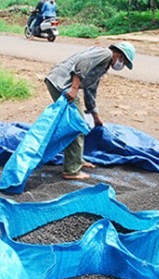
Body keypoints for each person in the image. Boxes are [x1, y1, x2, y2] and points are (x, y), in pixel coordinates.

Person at [44, 42, 136, 180]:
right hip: (61, 83)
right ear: (119, 54)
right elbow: (82, 63)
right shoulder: (105, 54)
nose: (121, 64)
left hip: (59, 82)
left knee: (76, 124)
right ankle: (71, 170)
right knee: (77, 126)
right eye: (123, 61)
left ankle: (77, 160)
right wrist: (74, 88)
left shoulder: (102, 66)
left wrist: (96, 117)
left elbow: (90, 91)